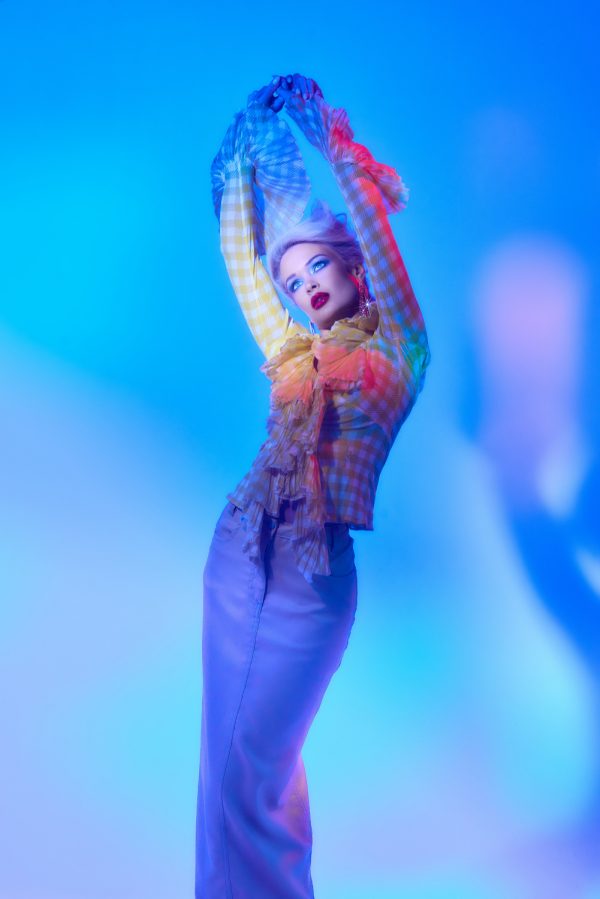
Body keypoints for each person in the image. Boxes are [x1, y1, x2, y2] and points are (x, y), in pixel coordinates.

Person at [195, 72, 431, 899]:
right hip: (237, 551)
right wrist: (242, 156)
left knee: (254, 769)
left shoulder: (400, 353)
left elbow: (373, 225)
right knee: (233, 766)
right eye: (293, 283)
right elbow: (241, 266)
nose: (305, 288)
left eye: (319, 265)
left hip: (314, 573)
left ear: (354, 265)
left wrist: (328, 139)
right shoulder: (291, 352)